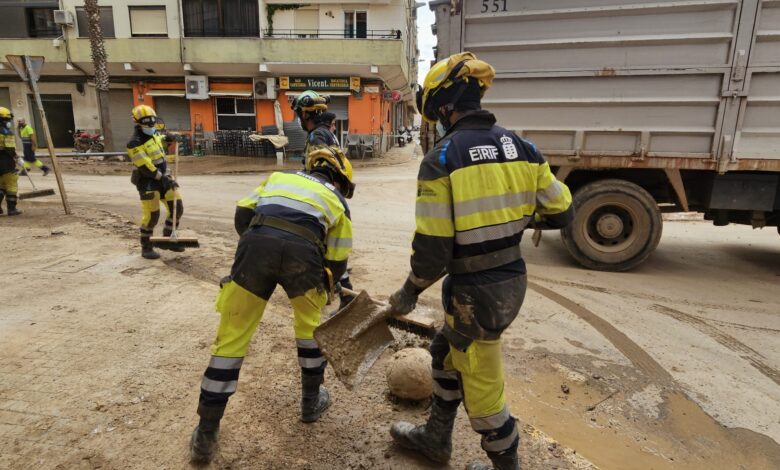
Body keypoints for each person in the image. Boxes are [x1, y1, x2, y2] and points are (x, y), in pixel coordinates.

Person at [387, 52, 574, 470]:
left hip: (475, 293)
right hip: (511, 280)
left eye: (432, 111)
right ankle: (436, 438)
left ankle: (506, 465)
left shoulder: (442, 158)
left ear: (442, 107)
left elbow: (434, 249)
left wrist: (408, 292)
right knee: (444, 352)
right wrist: (511, 220)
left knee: (483, 383)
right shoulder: (523, 147)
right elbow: (563, 213)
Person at [190, 145, 356, 463]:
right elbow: (337, 261)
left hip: (255, 247)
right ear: (338, 178)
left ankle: (206, 433)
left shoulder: (278, 178)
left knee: (233, 334)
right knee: (310, 329)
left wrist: (255, 247)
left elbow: (242, 214)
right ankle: (310, 402)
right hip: (304, 257)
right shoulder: (337, 201)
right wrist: (329, 287)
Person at [292, 91, 354, 309]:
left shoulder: (317, 135)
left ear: (307, 114)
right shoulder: (326, 133)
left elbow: (322, 168)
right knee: (330, 246)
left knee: (324, 245)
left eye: (299, 114)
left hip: (320, 195)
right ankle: (345, 292)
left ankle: (344, 293)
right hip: (330, 193)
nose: (299, 118)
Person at [126, 105, 183, 260]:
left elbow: (161, 141)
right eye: (147, 123)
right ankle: (146, 247)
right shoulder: (134, 143)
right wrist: (162, 177)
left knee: (177, 208)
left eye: (153, 122)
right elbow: (145, 167)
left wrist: (170, 138)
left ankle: (168, 239)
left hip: (164, 178)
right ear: (138, 122)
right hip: (147, 182)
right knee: (152, 216)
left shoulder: (154, 133)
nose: (151, 125)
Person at [0, 107, 22, 216]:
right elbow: (9, 149)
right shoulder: (6, 133)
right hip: (6, 162)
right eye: (6, 120)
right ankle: (12, 209)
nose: (8, 122)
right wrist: (17, 158)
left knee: (0, 185)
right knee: (11, 184)